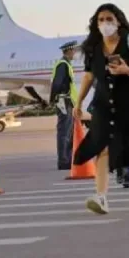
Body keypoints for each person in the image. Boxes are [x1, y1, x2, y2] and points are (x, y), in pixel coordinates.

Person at [73, 3, 129, 213]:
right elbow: (90, 76)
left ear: (119, 21)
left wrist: (127, 70)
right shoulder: (93, 47)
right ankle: (101, 197)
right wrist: (79, 102)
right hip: (104, 104)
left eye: (109, 19)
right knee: (102, 147)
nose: (105, 24)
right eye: (101, 20)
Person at [50, 41, 78, 170]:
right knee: (64, 132)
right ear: (68, 51)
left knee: (69, 132)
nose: (75, 53)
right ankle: (63, 161)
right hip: (64, 102)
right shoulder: (63, 65)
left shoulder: (66, 64)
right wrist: (53, 100)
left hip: (68, 102)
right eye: (73, 51)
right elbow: (57, 84)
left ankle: (67, 159)